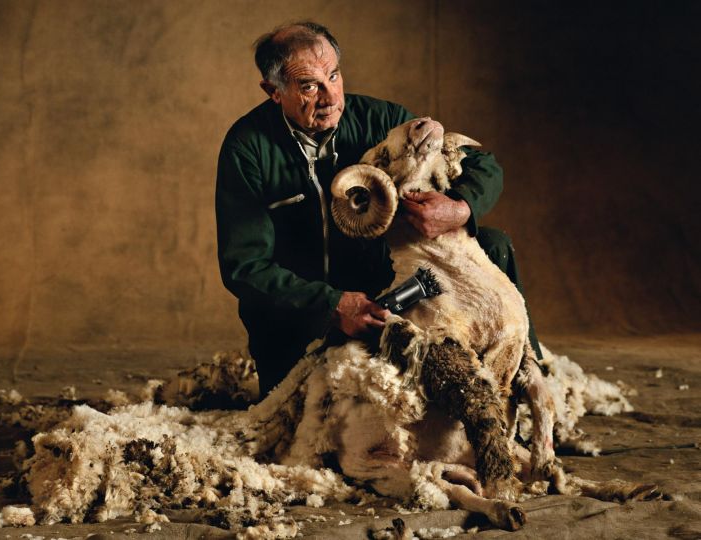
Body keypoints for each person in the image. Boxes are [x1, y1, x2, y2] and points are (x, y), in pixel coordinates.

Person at [216, 22, 541, 397]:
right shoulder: (247, 148)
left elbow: (482, 164)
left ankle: (531, 376)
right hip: (305, 315)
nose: (330, 96)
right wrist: (331, 304)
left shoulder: (381, 120)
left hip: (387, 295)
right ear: (273, 91)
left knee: (493, 243)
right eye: (309, 86)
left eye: (334, 76)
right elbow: (244, 267)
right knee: (307, 425)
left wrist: (461, 206)